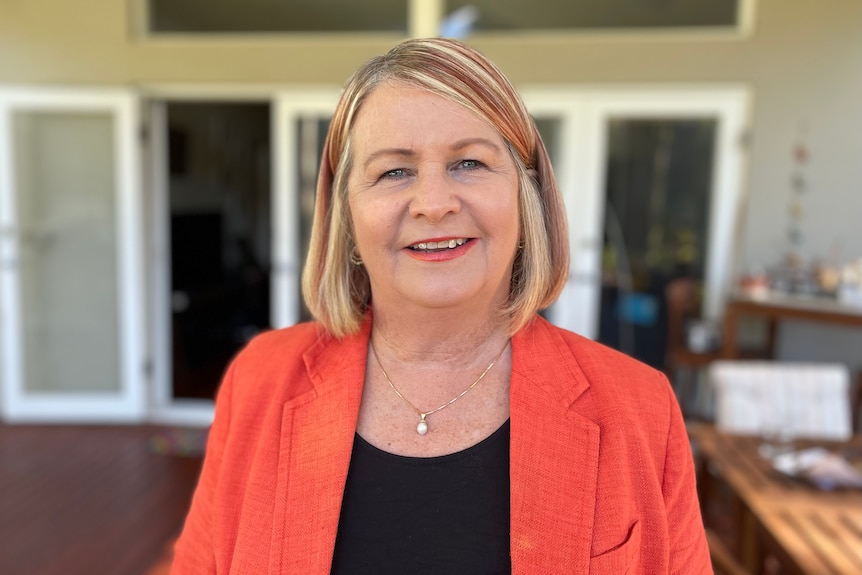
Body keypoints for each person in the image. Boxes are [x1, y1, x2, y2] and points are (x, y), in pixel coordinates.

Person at [171, 38, 712, 574]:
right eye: (394, 172)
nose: (434, 203)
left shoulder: (639, 409)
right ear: (348, 220)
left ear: (526, 199)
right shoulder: (259, 381)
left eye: (470, 163)